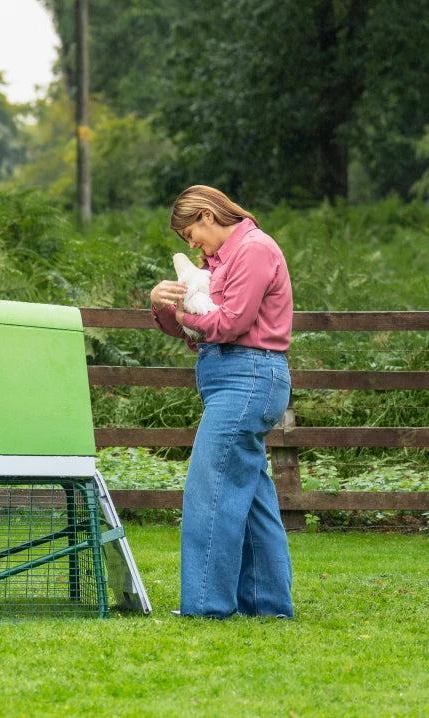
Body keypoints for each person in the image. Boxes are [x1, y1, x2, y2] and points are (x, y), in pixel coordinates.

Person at [148, 185, 294, 619]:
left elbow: (229, 323)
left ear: (209, 215)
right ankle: (267, 606)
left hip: (248, 376)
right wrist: (161, 306)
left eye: (191, 232)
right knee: (250, 496)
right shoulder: (218, 261)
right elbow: (197, 328)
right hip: (234, 378)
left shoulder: (254, 249)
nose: (192, 244)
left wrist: (182, 315)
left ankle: (206, 605)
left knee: (208, 489)